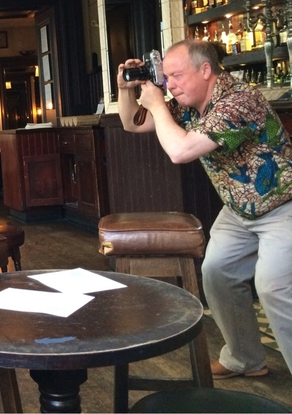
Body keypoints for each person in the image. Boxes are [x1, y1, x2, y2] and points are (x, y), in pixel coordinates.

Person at [117, 38, 292, 379]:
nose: (170, 85)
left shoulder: (239, 101)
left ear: (206, 70)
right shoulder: (191, 105)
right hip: (238, 210)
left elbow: (180, 151)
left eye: (177, 76)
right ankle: (244, 359)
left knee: (274, 286)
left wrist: (156, 104)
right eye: (166, 77)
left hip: (282, 205)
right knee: (216, 274)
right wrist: (128, 90)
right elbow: (132, 124)